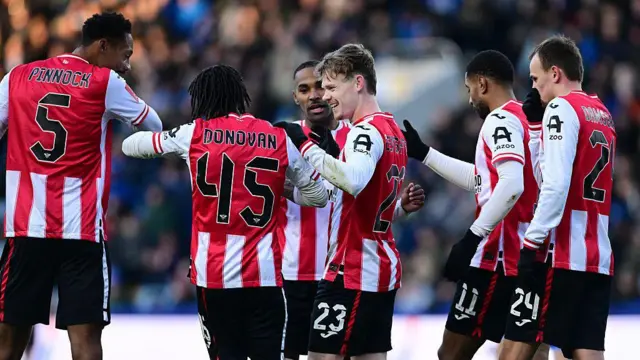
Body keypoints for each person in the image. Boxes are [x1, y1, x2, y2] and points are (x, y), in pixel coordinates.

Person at [121, 64, 328, 360]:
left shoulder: (194, 134)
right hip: (265, 275)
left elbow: (132, 146)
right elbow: (318, 195)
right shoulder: (278, 137)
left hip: (214, 277)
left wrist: (173, 145)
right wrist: (280, 188)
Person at [0, 12, 162, 360]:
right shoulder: (104, 82)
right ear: (103, 46)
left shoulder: (18, 77)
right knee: (86, 343)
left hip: (26, 227)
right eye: (126, 54)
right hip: (81, 231)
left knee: (8, 341)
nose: (127, 65)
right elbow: (153, 125)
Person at [402, 50, 550, 360]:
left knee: (451, 354)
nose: (470, 100)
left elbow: (511, 184)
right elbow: (486, 180)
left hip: (497, 257)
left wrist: (472, 238)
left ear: (482, 83)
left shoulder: (500, 119)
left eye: (470, 89)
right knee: (528, 351)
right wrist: (425, 154)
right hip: (534, 255)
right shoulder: (531, 120)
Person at [281, 60, 425, 360]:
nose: (317, 95)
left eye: (323, 86)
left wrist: (398, 208)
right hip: (295, 272)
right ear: (295, 96)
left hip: (346, 268)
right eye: (304, 89)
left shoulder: (357, 134)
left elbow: (350, 195)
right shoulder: (282, 137)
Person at [500, 35, 615, 360]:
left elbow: (553, 185)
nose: (534, 88)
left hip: (560, 254)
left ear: (555, 73)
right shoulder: (602, 113)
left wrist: (531, 243)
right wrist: (536, 129)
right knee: (582, 352)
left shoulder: (562, 108)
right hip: (598, 257)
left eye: (536, 79)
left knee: (514, 350)